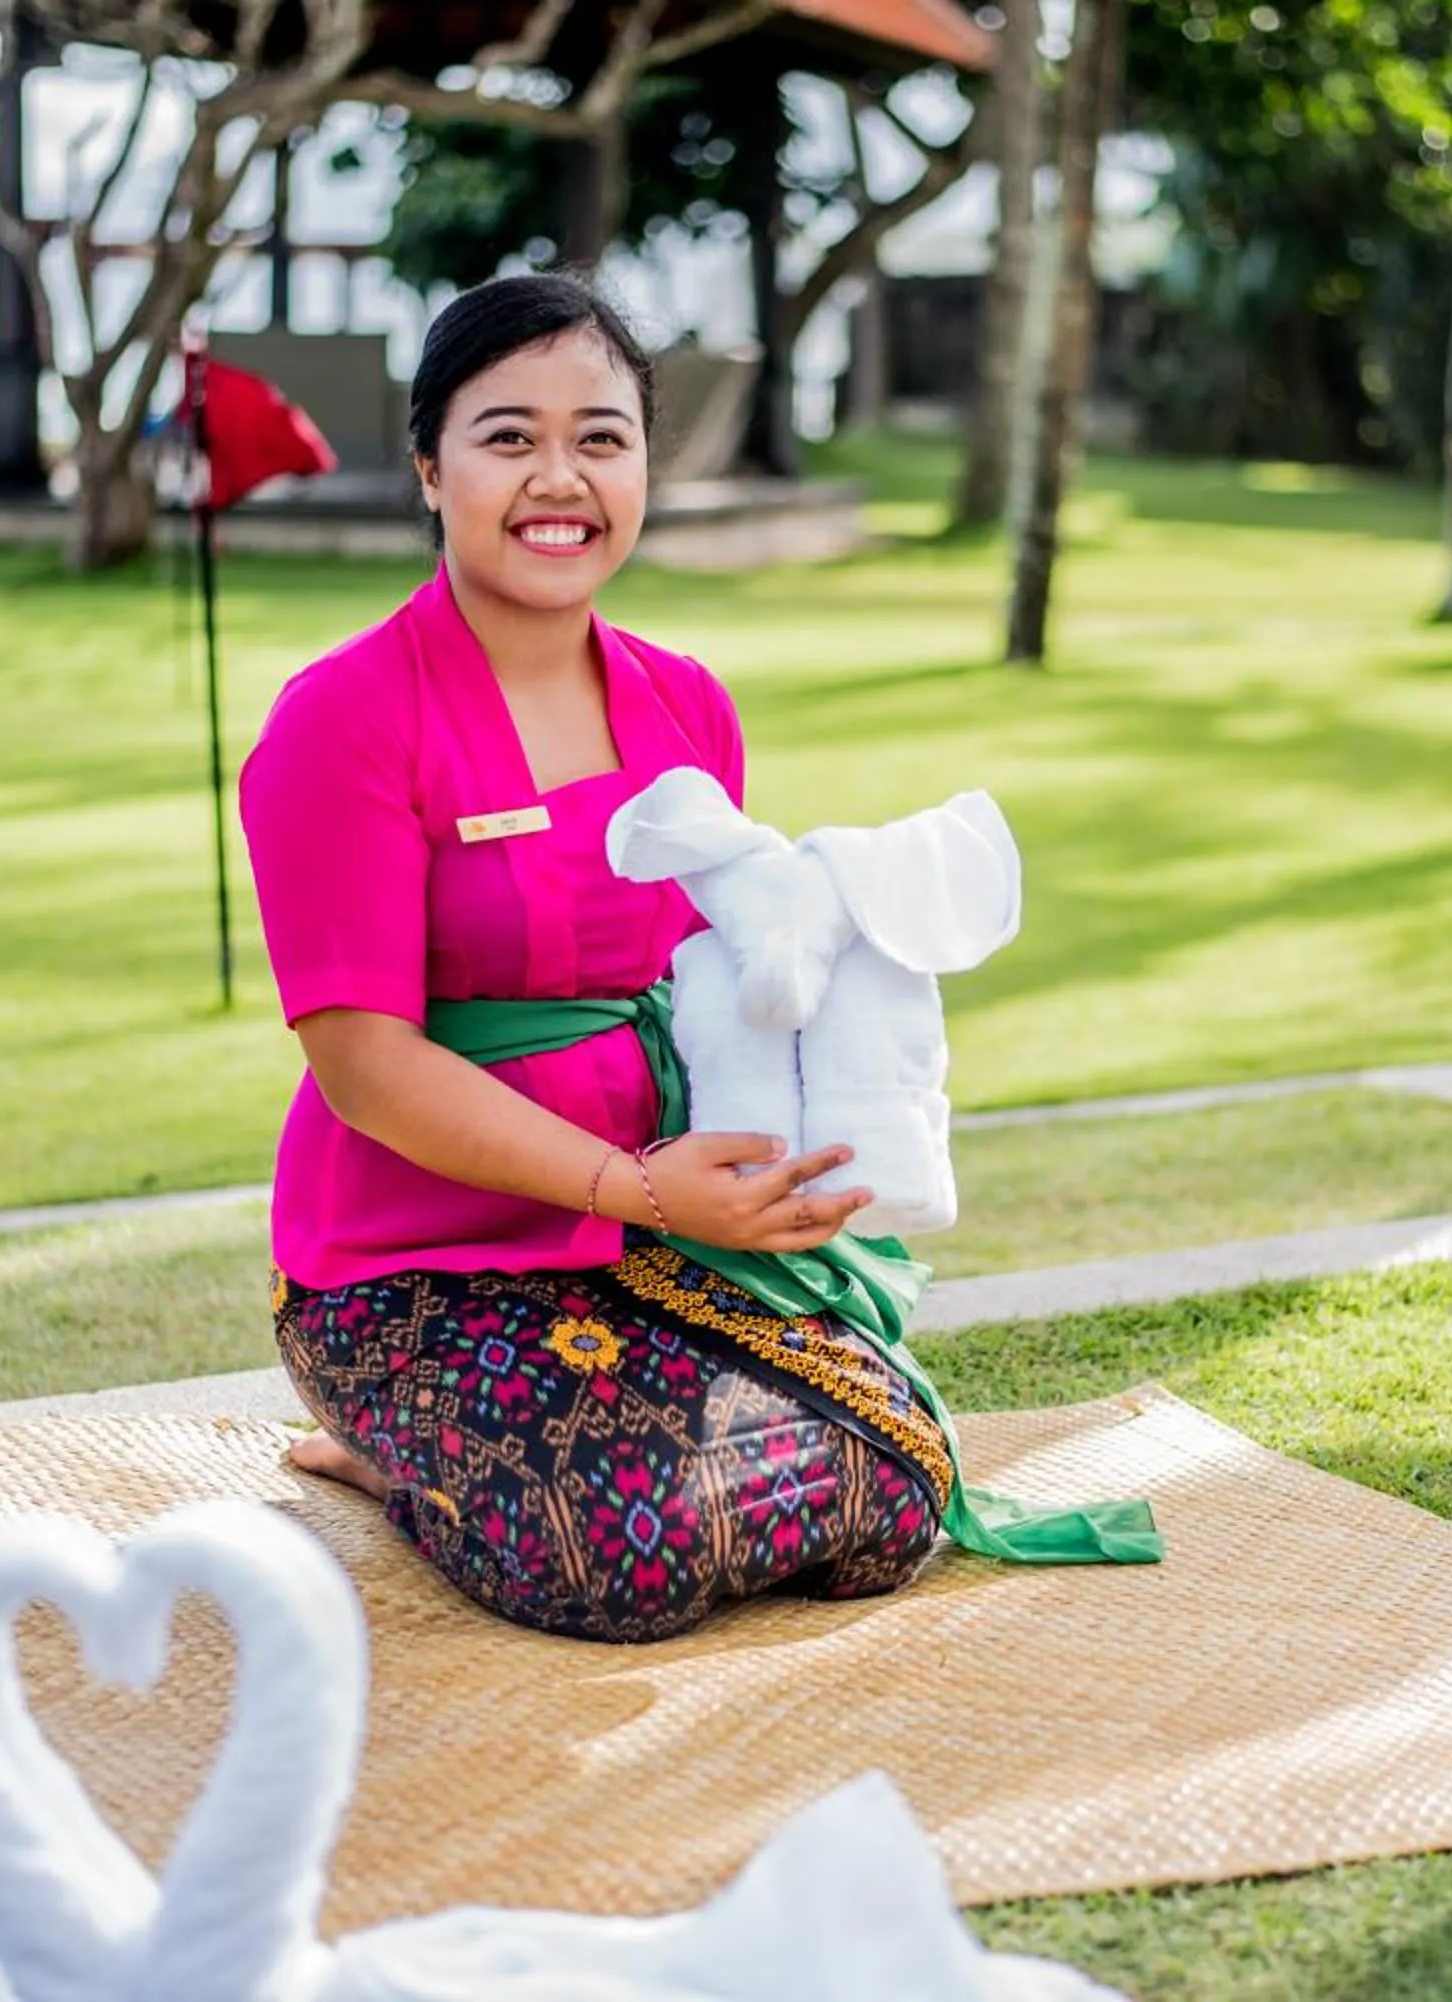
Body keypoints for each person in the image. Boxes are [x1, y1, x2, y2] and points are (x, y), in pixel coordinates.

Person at [237, 274, 946, 1643]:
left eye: (600, 438)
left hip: (645, 1229)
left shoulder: (687, 701)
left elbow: (722, 976)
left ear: (644, 465)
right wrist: (637, 1187)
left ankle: (499, 1457)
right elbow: (367, 1067)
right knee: (629, 1549)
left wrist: (801, 1145)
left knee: (891, 1482)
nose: (557, 478)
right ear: (430, 465)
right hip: (408, 1259)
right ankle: (392, 1456)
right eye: (508, 436)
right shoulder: (343, 720)